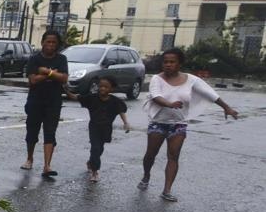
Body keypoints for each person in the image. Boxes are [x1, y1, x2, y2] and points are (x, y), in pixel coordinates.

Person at [139, 48, 239, 201]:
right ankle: (146, 176)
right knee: (150, 155)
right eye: (165, 62)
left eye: (172, 62)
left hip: (178, 124)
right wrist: (170, 104)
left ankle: (167, 190)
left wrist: (227, 107)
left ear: (180, 64)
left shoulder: (192, 80)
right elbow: (156, 96)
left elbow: (210, 94)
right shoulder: (156, 79)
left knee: (173, 156)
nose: (168, 65)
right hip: (158, 123)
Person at [22, 30, 69, 177]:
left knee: (50, 132)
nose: (50, 45)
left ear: (57, 44)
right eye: (48, 41)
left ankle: (47, 166)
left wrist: (46, 72)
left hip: (54, 101)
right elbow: (33, 80)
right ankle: (29, 158)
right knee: (32, 131)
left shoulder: (62, 59)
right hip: (35, 100)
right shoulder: (34, 59)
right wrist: (53, 73)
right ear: (42, 42)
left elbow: (64, 78)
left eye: (53, 42)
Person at [79, 76, 130, 182]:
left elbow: (121, 111)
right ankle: (95, 171)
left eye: (106, 87)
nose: (102, 88)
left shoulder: (115, 101)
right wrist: (65, 89)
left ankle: (91, 162)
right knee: (95, 148)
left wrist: (126, 123)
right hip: (94, 127)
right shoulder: (92, 98)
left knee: (100, 148)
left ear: (111, 89)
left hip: (106, 128)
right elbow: (77, 97)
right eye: (101, 86)